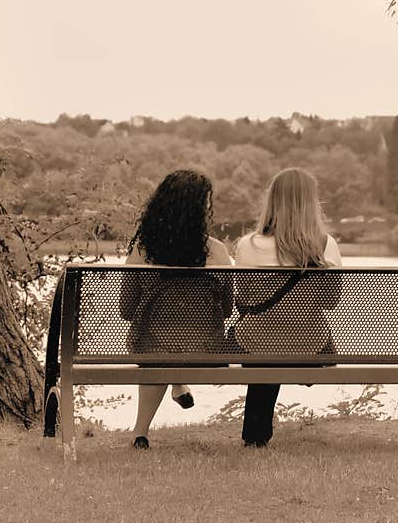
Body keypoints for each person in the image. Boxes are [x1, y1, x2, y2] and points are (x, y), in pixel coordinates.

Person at [119, 170, 232, 449]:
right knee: (174, 342)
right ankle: (178, 384)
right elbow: (227, 309)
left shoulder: (142, 251)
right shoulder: (217, 251)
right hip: (206, 347)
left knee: (157, 347)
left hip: (151, 346)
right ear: (200, 209)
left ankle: (140, 433)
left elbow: (126, 309)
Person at [233, 167, 342, 447]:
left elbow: (243, 301)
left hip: (258, 345)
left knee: (262, 340)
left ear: (272, 201)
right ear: (311, 204)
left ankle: (255, 436)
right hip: (309, 346)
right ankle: (297, 371)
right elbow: (331, 302)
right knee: (284, 338)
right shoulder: (325, 245)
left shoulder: (248, 245)